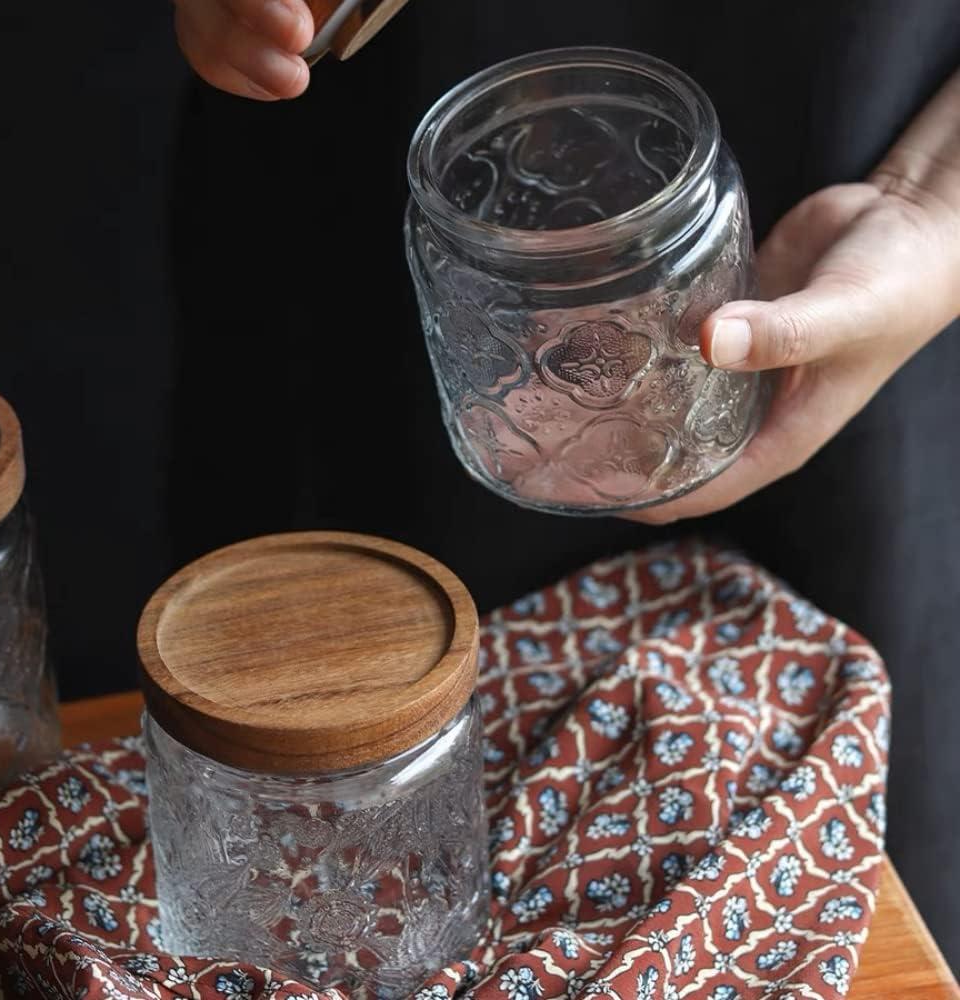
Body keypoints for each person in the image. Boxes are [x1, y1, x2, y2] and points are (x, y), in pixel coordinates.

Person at [166, 0, 960, 965]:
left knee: (856, 863)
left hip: (860, 194)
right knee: (323, 737)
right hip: (363, 170)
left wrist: (932, 197)